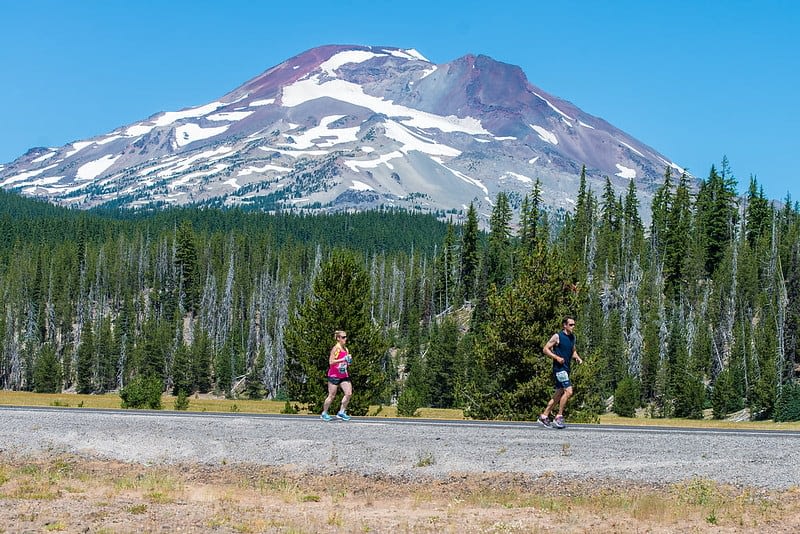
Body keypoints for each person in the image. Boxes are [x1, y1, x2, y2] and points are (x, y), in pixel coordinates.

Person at [538, 316, 582, 429]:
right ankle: (559, 416)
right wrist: (556, 357)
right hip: (559, 369)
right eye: (571, 325)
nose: (573, 327)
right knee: (569, 391)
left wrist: (577, 357)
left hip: (566, 368)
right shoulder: (557, 336)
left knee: (558, 394)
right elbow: (545, 349)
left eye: (574, 324)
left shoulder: (572, 337)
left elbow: (573, 351)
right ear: (565, 325)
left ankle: (544, 416)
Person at [321, 330, 353, 422]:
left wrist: (348, 361)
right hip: (334, 375)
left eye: (346, 337)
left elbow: (346, 363)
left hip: (343, 374)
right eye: (343, 337)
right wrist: (342, 359)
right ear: (338, 338)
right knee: (331, 395)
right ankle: (324, 412)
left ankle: (341, 411)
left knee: (349, 393)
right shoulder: (336, 349)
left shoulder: (346, 349)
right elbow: (331, 362)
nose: (345, 339)